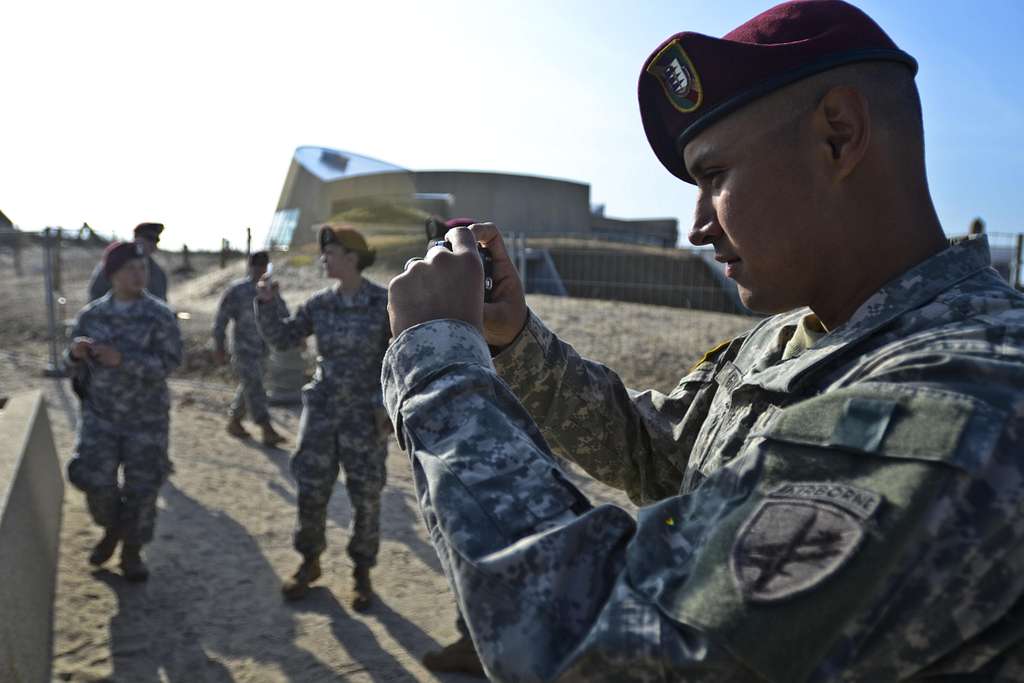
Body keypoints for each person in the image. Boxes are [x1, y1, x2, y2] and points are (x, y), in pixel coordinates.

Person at [382, 1, 1024, 681]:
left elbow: (599, 648)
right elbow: (652, 446)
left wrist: (437, 359)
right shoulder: (793, 337)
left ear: (838, 135)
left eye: (715, 178)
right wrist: (513, 339)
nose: (697, 227)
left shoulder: (964, 397)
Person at [256, 225, 391, 611]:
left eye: (330, 253)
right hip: (323, 411)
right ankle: (309, 561)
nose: (323, 259)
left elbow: (397, 359)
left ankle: (362, 572)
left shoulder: (383, 303)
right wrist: (266, 303)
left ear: (352, 257)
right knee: (311, 489)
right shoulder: (319, 304)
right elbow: (283, 339)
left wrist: (388, 406)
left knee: (366, 495)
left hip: (366, 416)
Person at [66, 241, 182, 582]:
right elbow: (70, 365)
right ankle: (113, 528)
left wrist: (124, 361)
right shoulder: (92, 315)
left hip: (146, 419)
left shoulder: (159, 314)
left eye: (142, 268)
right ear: (112, 274)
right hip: (100, 417)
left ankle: (131, 551)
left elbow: (171, 362)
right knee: (93, 479)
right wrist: (74, 355)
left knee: (143, 488)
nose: (138, 274)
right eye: (130, 268)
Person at [212, 250, 285, 446]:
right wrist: (219, 346)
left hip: (263, 348)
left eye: (263, 266)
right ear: (250, 266)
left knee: (251, 385)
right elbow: (220, 320)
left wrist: (275, 296)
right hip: (243, 349)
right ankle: (266, 428)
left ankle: (235, 421)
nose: (260, 270)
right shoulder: (237, 291)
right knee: (256, 386)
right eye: (256, 266)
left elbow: (284, 315)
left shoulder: (269, 290)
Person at [88, 222, 168, 302]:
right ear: (136, 238)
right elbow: (95, 296)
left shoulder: (158, 272)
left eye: (155, 241)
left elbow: (162, 301)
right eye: (148, 239)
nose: (152, 244)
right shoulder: (114, 263)